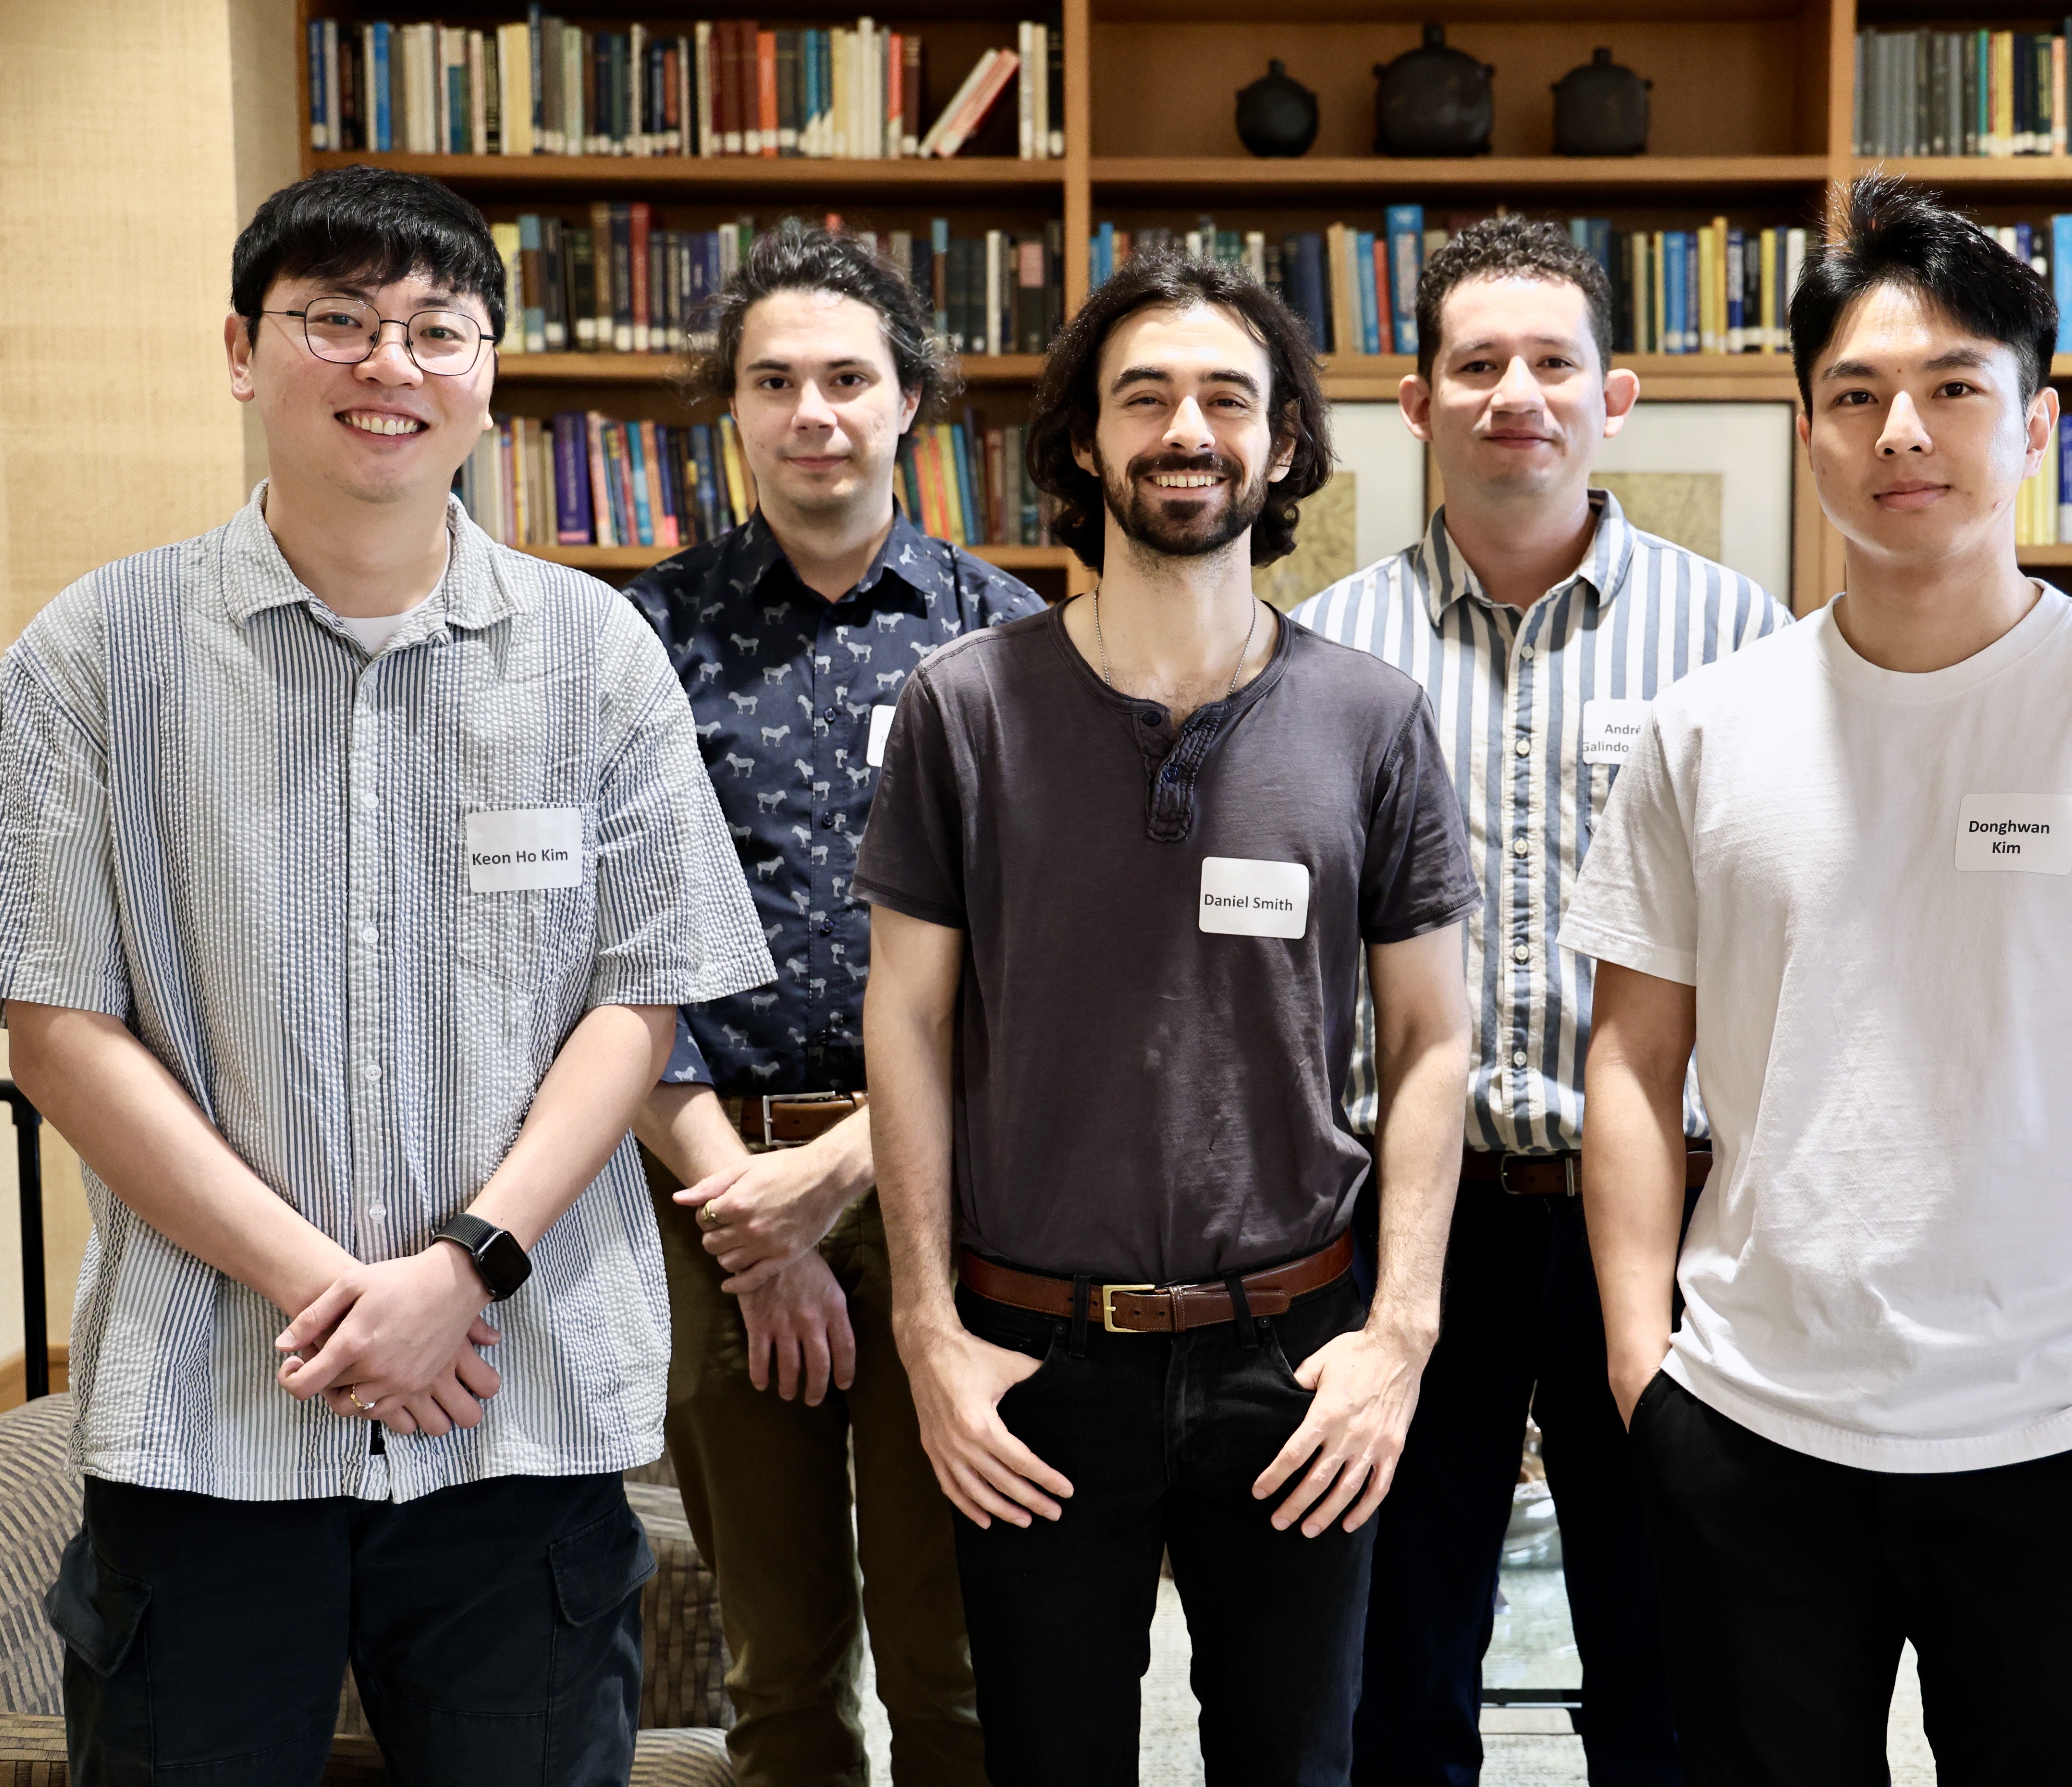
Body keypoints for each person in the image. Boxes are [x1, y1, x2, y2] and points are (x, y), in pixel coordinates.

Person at [0, 165, 769, 1782]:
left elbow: (641, 992)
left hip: (514, 1418)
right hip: (207, 1423)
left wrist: (461, 1267)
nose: (390, 366)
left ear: (488, 374)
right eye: (338, 320)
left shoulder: (597, 652)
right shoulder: (98, 654)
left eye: (435, 330)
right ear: (245, 351)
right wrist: (339, 1298)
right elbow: (56, 1024)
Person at [1562, 171, 2072, 1782]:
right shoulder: (1706, 729)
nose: (1905, 430)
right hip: (1753, 1422)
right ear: (1810, 431)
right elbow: (1630, 1065)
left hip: (2063, 1434)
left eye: (1957, 387)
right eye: (1857, 395)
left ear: (2035, 423)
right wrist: (1646, 1369)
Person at [855, 254, 1478, 1787]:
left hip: (1298, 1352)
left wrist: (1399, 1332)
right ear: (1083, 441)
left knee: (1295, 1762)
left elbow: (1430, 1041)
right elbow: (908, 1027)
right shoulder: (965, 705)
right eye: (1145, 397)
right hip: (1033, 1360)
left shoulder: (1373, 718)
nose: (1185, 429)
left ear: (1279, 450)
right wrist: (929, 1334)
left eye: (1226, 400)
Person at [1294, 214, 1782, 1787]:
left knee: (1672, 1630)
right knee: (1396, 1642)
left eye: (1553, 362)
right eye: (1477, 363)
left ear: (1616, 396)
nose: (1518, 392)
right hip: (1402, 1212)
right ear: (1414, 401)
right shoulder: (1325, 648)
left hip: (1663, 1209)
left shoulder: (1738, 641)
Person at [625, 220, 1039, 1787]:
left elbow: (1040, 960)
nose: (814, 410)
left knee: (959, 1660)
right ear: (730, 408)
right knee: (776, 1666)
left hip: (953, 1186)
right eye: (775, 379)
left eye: (848, 378)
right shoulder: (642, 642)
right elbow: (615, 946)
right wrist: (750, 1203)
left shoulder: (1006, 640)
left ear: (910, 402)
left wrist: (847, 1169)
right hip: (708, 1194)